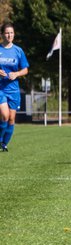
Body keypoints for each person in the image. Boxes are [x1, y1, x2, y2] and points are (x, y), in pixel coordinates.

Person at [0, 22, 30, 152]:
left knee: (11, 119)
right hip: (0, 89)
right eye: (7, 33)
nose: (9, 35)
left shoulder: (18, 51)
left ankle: (4, 143)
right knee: (5, 115)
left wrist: (16, 74)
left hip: (13, 90)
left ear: (14, 34)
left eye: (11, 33)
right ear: (2, 34)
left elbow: (25, 69)